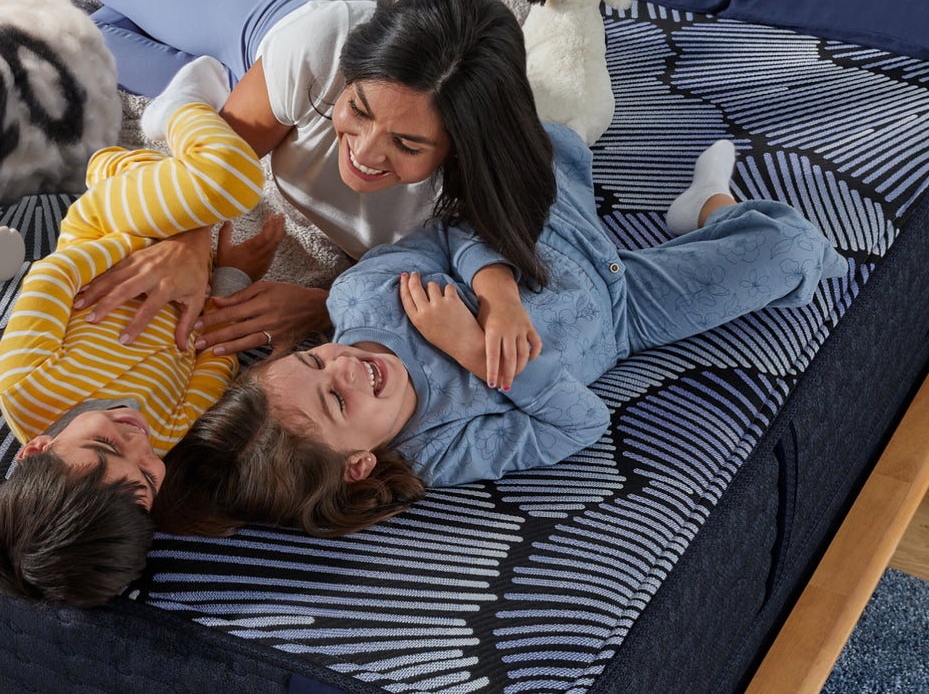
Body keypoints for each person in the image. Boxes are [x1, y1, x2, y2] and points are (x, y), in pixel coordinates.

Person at [151, 130, 849, 537]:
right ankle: (710, 206)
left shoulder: (362, 293)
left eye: (316, 358)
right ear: (358, 464)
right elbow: (578, 424)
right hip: (627, 313)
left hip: (542, 238)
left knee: (540, 138)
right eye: (336, 400)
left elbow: (457, 227)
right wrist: (474, 352)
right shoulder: (439, 450)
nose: (344, 363)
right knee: (791, 254)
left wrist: (497, 291)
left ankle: (664, 191)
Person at [0, 0, 554, 391]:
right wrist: (188, 245)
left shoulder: (475, 187)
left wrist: (320, 307)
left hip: (261, 82)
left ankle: (190, 3)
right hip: (269, 21)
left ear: (461, 150)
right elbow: (211, 164)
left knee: (88, 38)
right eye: (356, 110)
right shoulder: (321, 48)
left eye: (408, 146)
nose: (363, 152)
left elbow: (483, 252)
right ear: (349, 77)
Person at [0, 60, 284, 606]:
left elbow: (53, 275)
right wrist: (225, 276)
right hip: (192, 268)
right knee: (224, 191)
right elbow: (212, 354)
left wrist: (153, 249)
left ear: (36, 449)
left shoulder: (25, 386)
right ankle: (149, 167)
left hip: (109, 226)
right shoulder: (164, 432)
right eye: (146, 476)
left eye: (104, 443)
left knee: (231, 179)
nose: (137, 439)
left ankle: (177, 107)